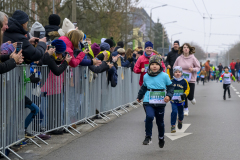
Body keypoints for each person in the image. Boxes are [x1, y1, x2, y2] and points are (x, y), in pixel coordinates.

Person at [136, 55, 174, 148]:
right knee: (149, 116)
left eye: (156, 64)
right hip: (148, 100)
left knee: (160, 122)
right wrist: (139, 96)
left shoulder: (165, 76)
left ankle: (161, 137)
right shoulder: (146, 76)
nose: (154, 66)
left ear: (160, 65)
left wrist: (169, 96)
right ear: (149, 66)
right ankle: (148, 137)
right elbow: (144, 87)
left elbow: (170, 87)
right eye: (152, 64)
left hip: (160, 101)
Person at [173, 43, 200, 116]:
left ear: (189, 49)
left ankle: (192, 98)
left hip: (191, 79)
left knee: (190, 96)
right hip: (181, 79)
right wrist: (177, 72)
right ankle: (186, 109)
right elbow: (174, 67)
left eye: (187, 47)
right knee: (184, 94)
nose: (186, 49)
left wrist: (193, 69)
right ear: (182, 49)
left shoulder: (193, 58)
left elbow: (198, 67)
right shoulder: (179, 58)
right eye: (184, 47)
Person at [170, 66, 189, 133]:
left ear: (181, 73)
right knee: (174, 112)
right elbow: (168, 89)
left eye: (179, 72)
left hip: (181, 101)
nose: (177, 73)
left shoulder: (184, 81)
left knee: (181, 114)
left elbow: (187, 89)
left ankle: (180, 121)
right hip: (173, 100)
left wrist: (184, 95)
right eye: (176, 72)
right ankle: (173, 126)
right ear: (173, 73)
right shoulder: (171, 81)